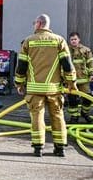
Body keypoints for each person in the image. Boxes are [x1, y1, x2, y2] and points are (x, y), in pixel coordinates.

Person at [14, 14, 76, 158]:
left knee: (37, 117)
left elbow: (21, 65)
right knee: (58, 116)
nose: (34, 25)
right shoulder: (59, 40)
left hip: (35, 90)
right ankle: (60, 148)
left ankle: (38, 148)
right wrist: (71, 82)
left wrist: (19, 83)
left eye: (35, 22)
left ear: (40, 23)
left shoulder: (28, 41)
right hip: (54, 89)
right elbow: (67, 64)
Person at [67, 32, 93, 124]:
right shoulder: (66, 50)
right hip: (71, 80)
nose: (73, 41)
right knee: (72, 99)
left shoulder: (86, 50)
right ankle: (74, 116)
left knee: (88, 98)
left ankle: (84, 112)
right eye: (72, 39)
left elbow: (91, 63)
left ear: (79, 39)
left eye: (75, 39)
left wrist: (92, 74)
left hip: (83, 79)